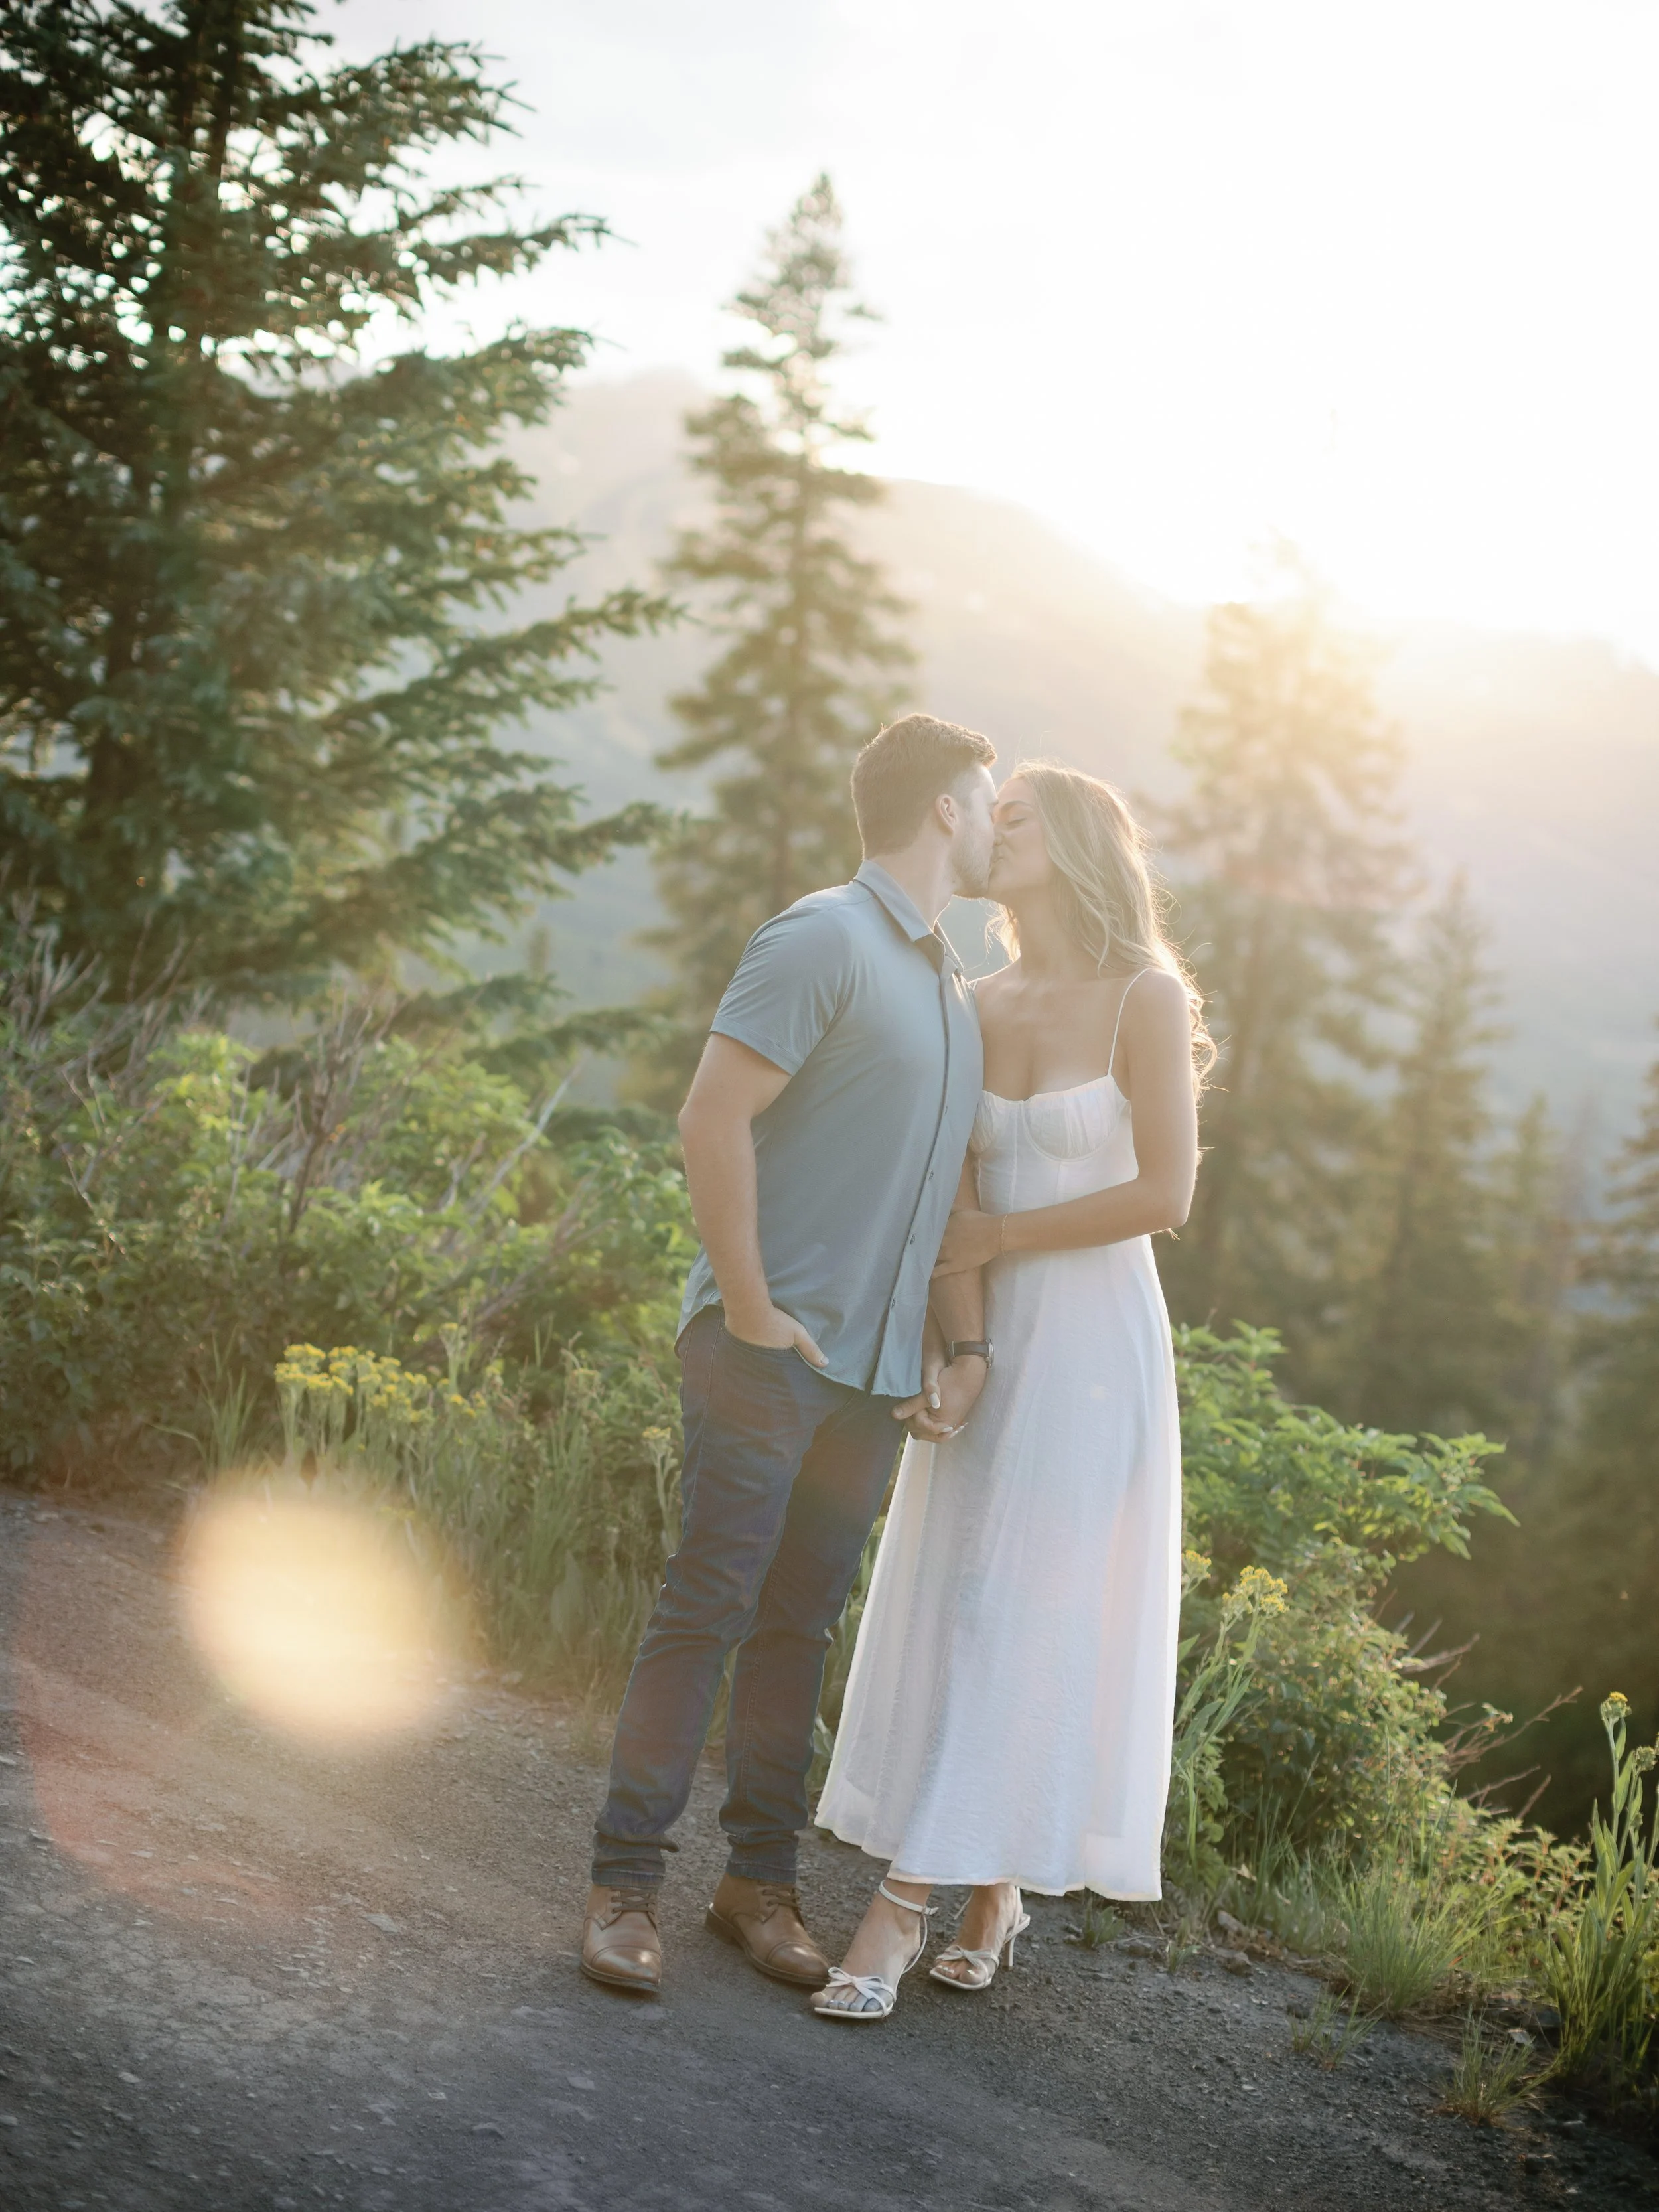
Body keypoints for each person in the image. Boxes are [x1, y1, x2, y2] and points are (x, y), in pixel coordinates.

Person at [581, 713, 1001, 1996]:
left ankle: (755, 1888)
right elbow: (711, 1119)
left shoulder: (949, 990)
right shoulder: (822, 936)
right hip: (767, 1354)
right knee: (707, 1608)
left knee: (797, 1630)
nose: (993, 824)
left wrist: (956, 1347)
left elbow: (930, 1205)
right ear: (945, 807)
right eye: (988, 801)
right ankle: (623, 1889)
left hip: (870, 1387)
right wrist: (752, 1307)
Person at [811, 760, 1209, 2022]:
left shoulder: (1147, 997)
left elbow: (1166, 1197)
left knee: (1030, 1611)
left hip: (1097, 1347)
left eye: (1021, 818)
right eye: (998, 813)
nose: (995, 830)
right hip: (990, 1336)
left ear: (1080, 845)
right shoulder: (973, 998)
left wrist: (997, 1249)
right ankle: (991, 1888)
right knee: (966, 1593)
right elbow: (956, 1200)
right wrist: (966, 1346)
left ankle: (904, 1905)